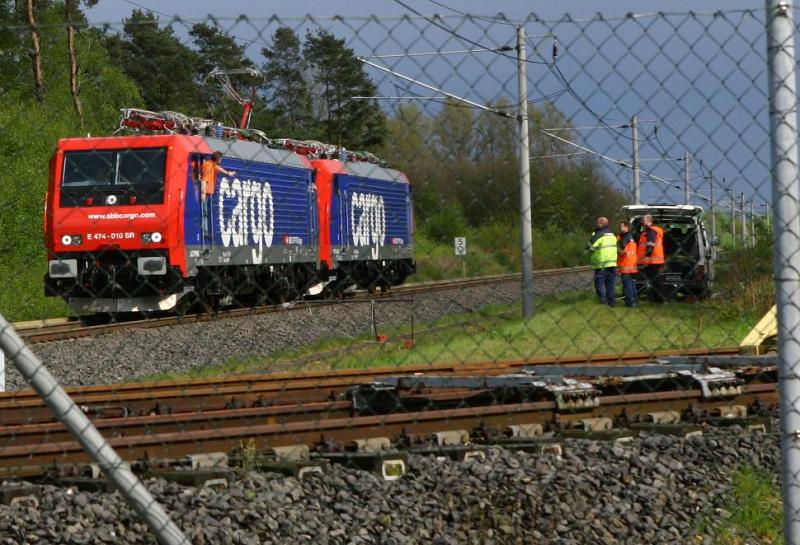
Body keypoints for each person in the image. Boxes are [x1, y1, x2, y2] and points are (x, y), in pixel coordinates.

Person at [200, 151, 235, 237]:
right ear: (218, 159)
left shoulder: (212, 164)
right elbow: (204, 180)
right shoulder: (209, 167)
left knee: (205, 212)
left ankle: (205, 231)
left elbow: (218, 168)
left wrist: (228, 173)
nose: (221, 160)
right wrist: (203, 193)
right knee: (204, 212)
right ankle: (205, 232)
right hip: (205, 192)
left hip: (208, 192)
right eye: (221, 159)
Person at [588, 216, 618, 306]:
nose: (596, 224)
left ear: (600, 223)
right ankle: (612, 302)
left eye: (597, 223)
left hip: (602, 263)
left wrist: (593, 236)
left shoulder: (599, 234)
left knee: (599, 283)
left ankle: (603, 301)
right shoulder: (612, 235)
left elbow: (589, 247)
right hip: (612, 263)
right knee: (610, 284)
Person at [636, 214, 666, 302]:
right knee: (654, 280)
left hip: (652, 260)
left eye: (643, 220)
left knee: (654, 280)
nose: (642, 222)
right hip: (654, 259)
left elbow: (650, 246)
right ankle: (656, 299)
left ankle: (658, 299)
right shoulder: (651, 231)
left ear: (648, 221)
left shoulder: (651, 231)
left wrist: (646, 258)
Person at [617, 221, 638, 307]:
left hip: (626, 264)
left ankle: (630, 302)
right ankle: (634, 301)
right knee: (632, 284)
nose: (620, 228)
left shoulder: (625, 238)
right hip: (632, 264)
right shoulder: (631, 236)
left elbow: (623, 252)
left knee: (627, 285)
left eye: (621, 226)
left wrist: (616, 249)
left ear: (626, 227)